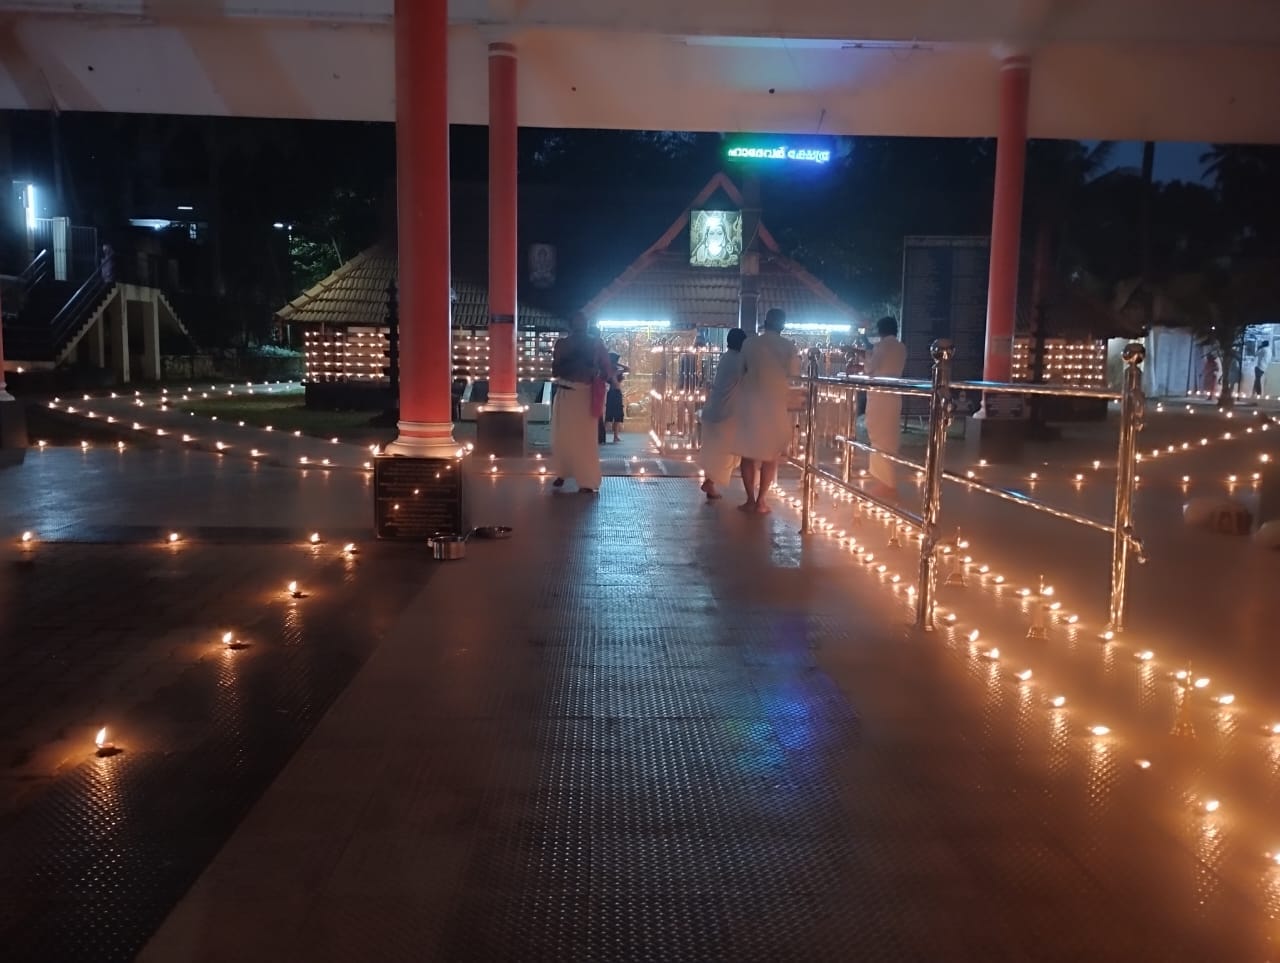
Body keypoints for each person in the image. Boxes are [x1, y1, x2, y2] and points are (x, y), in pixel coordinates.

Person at [735, 308, 799, 513]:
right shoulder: (788, 347)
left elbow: (741, 369)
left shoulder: (750, 343)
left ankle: (750, 499)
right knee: (771, 455)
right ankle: (762, 500)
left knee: (748, 453)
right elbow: (794, 375)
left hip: (751, 402)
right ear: (783, 325)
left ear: (765, 322)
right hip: (775, 403)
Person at [551, 312, 616, 493]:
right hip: (565, 393)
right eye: (577, 323)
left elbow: (606, 371)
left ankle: (586, 480)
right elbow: (556, 369)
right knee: (562, 437)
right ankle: (562, 472)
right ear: (572, 325)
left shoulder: (595, 344)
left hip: (584, 395)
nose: (580, 326)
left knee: (585, 440)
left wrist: (594, 372)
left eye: (583, 323)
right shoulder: (562, 344)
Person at [697, 328, 748, 500]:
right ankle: (710, 483)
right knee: (726, 453)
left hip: (714, 409)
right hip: (726, 414)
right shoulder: (740, 360)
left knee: (715, 450)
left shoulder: (726, 357)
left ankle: (709, 483)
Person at [863, 316, 908, 502]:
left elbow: (870, 369)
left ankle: (886, 484)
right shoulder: (901, 347)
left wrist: (867, 354)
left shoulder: (881, 347)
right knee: (889, 437)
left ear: (881, 330)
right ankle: (887, 481)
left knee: (879, 437)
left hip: (880, 398)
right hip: (893, 397)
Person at [605, 373, 625, 442]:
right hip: (612, 395)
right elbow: (615, 383)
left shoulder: (617, 373)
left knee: (617, 417)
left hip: (617, 395)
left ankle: (615, 437)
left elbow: (627, 369)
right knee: (609, 417)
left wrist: (618, 366)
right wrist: (614, 372)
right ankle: (601, 435)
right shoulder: (611, 375)